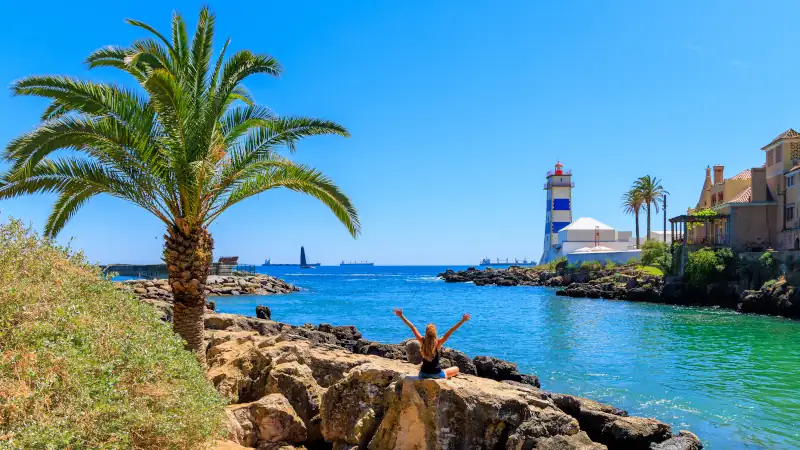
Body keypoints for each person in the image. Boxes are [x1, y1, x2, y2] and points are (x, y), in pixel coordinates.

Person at [393, 308, 471, 379]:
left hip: (422, 374)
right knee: (456, 369)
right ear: (435, 333)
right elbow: (452, 330)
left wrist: (401, 316)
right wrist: (463, 320)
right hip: (436, 375)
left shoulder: (422, 340)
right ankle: (445, 376)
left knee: (444, 370)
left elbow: (412, 327)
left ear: (426, 333)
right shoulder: (439, 342)